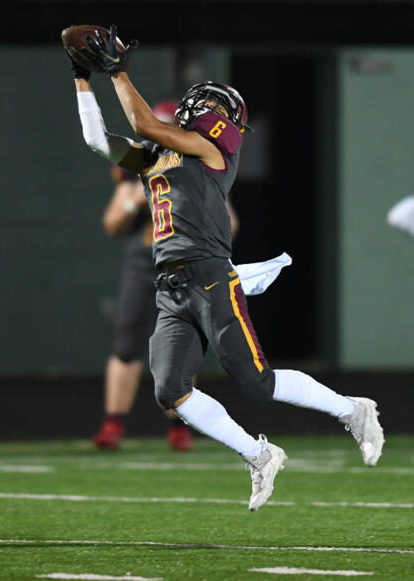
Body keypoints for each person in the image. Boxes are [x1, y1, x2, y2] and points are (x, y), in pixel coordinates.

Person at [68, 25, 384, 511]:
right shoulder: (157, 157)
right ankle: (258, 454)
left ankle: (353, 410)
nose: (210, 113)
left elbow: (145, 123)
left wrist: (118, 73)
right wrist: (82, 77)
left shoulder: (215, 150)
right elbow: (96, 140)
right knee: (170, 390)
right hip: (170, 285)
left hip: (210, 274)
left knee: (255, 382)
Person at [93, 101, 240, 452]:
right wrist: (134, 203)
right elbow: (112, 222)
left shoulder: (199, 163)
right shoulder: (139, 163)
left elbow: (230, 224)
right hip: (146, 260)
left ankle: (180, 424)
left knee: (182, 344)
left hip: (187, 264)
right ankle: (114, 423)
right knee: (128, 341)